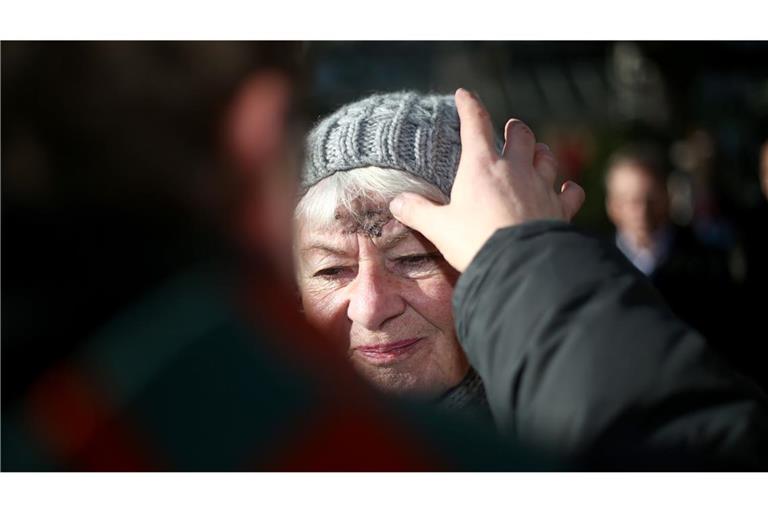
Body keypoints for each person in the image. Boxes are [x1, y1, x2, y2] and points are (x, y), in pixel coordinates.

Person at [388, 89, 768, 467]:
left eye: (413, 259)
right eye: (333, 269)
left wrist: (515, 259)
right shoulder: (581, 256)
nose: (371, 305)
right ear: (612, 205)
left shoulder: (711, 263)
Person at [603, 143, 743, 369]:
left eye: (650, 198)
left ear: (666, 195)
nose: (641, 211)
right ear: (612, 205)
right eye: (630, 200)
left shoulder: (708, 262)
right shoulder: (597, 265)